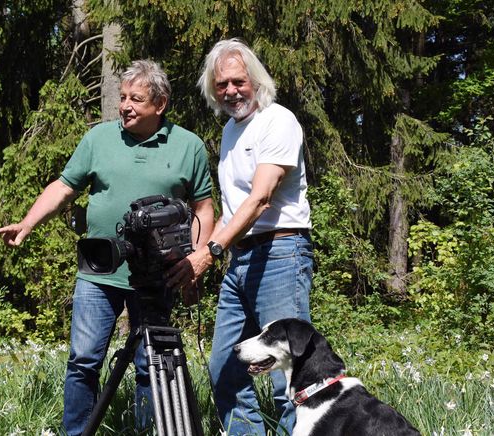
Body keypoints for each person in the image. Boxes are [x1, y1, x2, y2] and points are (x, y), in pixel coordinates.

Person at [0, 60, 214, 436]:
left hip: (158, 274)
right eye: (123, 97)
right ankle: (77, 433)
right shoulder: (97, 139)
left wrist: (196, 261)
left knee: (153, 365)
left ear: (160, 104)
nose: (125, 105)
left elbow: (203, 209)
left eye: (137, 99)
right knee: (83, 360)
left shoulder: (188, 145)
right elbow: (63, 187)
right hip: (99, 271)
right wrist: (27, 223)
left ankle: (148, 432)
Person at [166, 38, 313, 435]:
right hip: (241, 259)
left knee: (290, 375)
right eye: (221, 85)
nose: (231, 91)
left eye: (238, 81)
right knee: (226, 368)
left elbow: (261, 198)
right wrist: (195, 261)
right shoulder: (231, 130)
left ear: (256, 80)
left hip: (282, 253)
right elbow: (229, 210)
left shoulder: (278, 120)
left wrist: (210, 252)